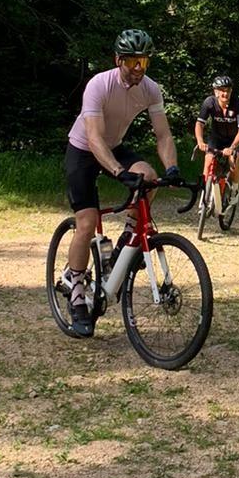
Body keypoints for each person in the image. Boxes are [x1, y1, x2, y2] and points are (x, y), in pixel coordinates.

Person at [60, 29, 182, 337]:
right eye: (131, 62)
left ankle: (126, 241)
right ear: (119, 61)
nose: (138, 69)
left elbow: (163, 134)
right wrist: (116, 170)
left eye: (143, 62)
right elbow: (93, 137)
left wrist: (172, 168)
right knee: (86, 223)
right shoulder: (99, 85)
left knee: (150, 178)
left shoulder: (151, 89)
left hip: (113, 147)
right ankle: (76, 294)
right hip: (84, 150)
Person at [194, 74, 239, 193]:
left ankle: (234, 190)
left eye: (228, 90)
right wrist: (200, 141)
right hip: (217, 137)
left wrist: (232, 148)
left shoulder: (238, 104)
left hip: (236, 139)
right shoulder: (209, 102)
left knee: (234, 162)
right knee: (208, 160)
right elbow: (199, 123)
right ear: (215, 91)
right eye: (222, 90)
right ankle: (205, 193)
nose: (225, 94)